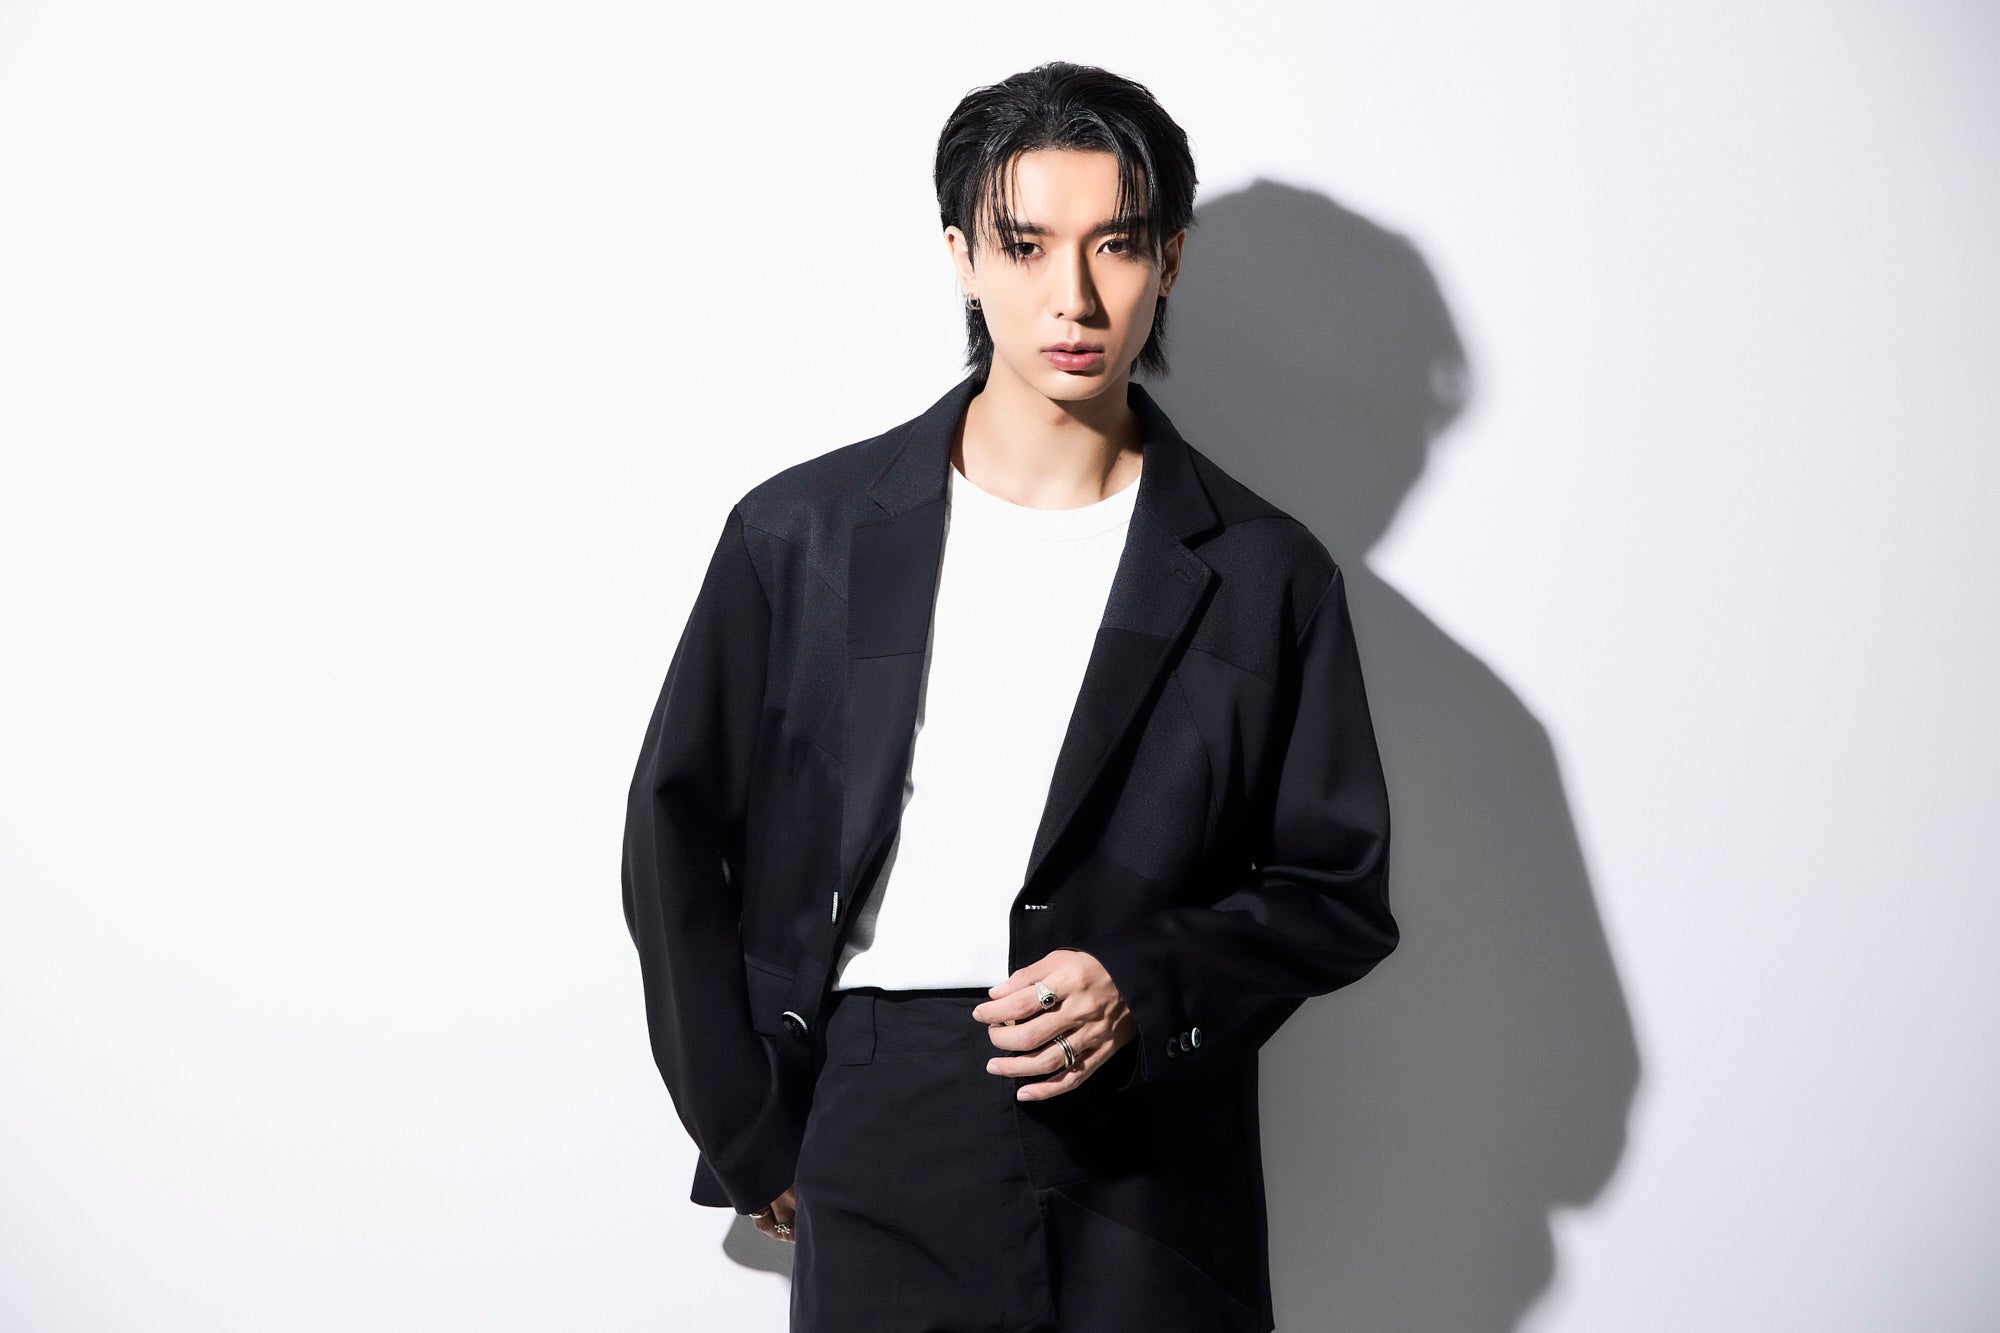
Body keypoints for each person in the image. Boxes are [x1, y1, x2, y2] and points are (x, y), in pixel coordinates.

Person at [622, 61, 1396, 1333]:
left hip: (1148, 1153)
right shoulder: (802, 535)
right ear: (962, 257)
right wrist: (745, 1123)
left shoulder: (1266, 574)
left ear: (1171, 258)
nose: (1072, 296)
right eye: (1026, 246)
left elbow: (1335, 888)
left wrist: (1144, 984)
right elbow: (672, 834)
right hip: (881, 1113)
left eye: (1117, 244)